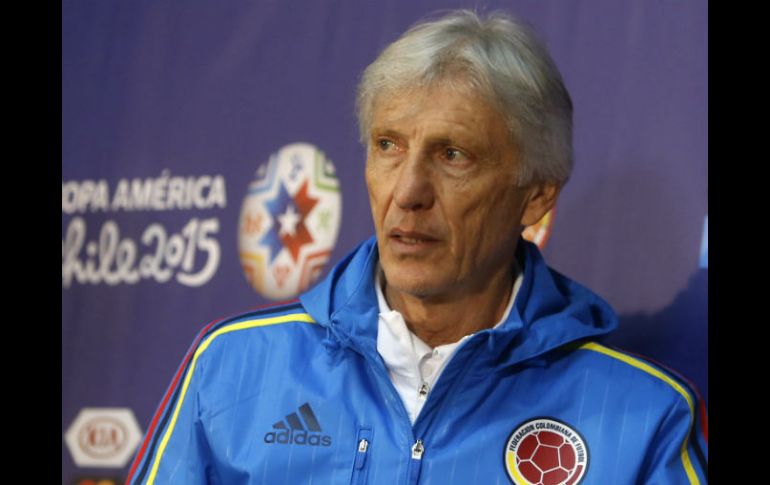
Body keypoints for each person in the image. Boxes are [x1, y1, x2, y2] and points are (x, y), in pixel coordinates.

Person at [126, 10, 707, 485]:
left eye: (453, 155)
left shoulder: (643, 415)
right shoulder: (232, 367)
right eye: (388, 146)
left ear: (535, 198)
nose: (407, 192)